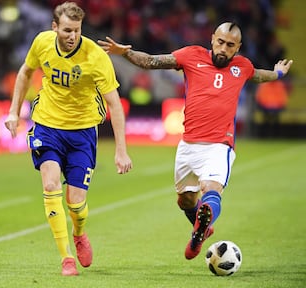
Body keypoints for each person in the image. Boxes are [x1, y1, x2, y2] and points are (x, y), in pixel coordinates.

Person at [98, 22, 293, 260]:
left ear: (238, 47)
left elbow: (261, 76)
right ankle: (202, 229)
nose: (223, 48)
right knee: (185, 200)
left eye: (230, 45)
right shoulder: (191, 56)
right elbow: (151, 61)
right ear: (212, 39)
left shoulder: (242, 66)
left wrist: (279, 73)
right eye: (220, 42)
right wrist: (126, 52)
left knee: (211, 191)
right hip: (188, 145)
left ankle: (205, 217)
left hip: (219, 146)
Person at [4, 1, 132, 276]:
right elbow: (26, 71)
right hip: (47, 125)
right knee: (50, 185)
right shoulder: (42, 43)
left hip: (82, 132)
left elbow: (115, 105)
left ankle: (79, 232)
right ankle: (66, 259)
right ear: (54, 28)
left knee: (76, 204)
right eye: (66, 30)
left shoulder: (96, 57)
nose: (72, 36)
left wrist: (121, 150)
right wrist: (14, 111)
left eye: (76, 30)